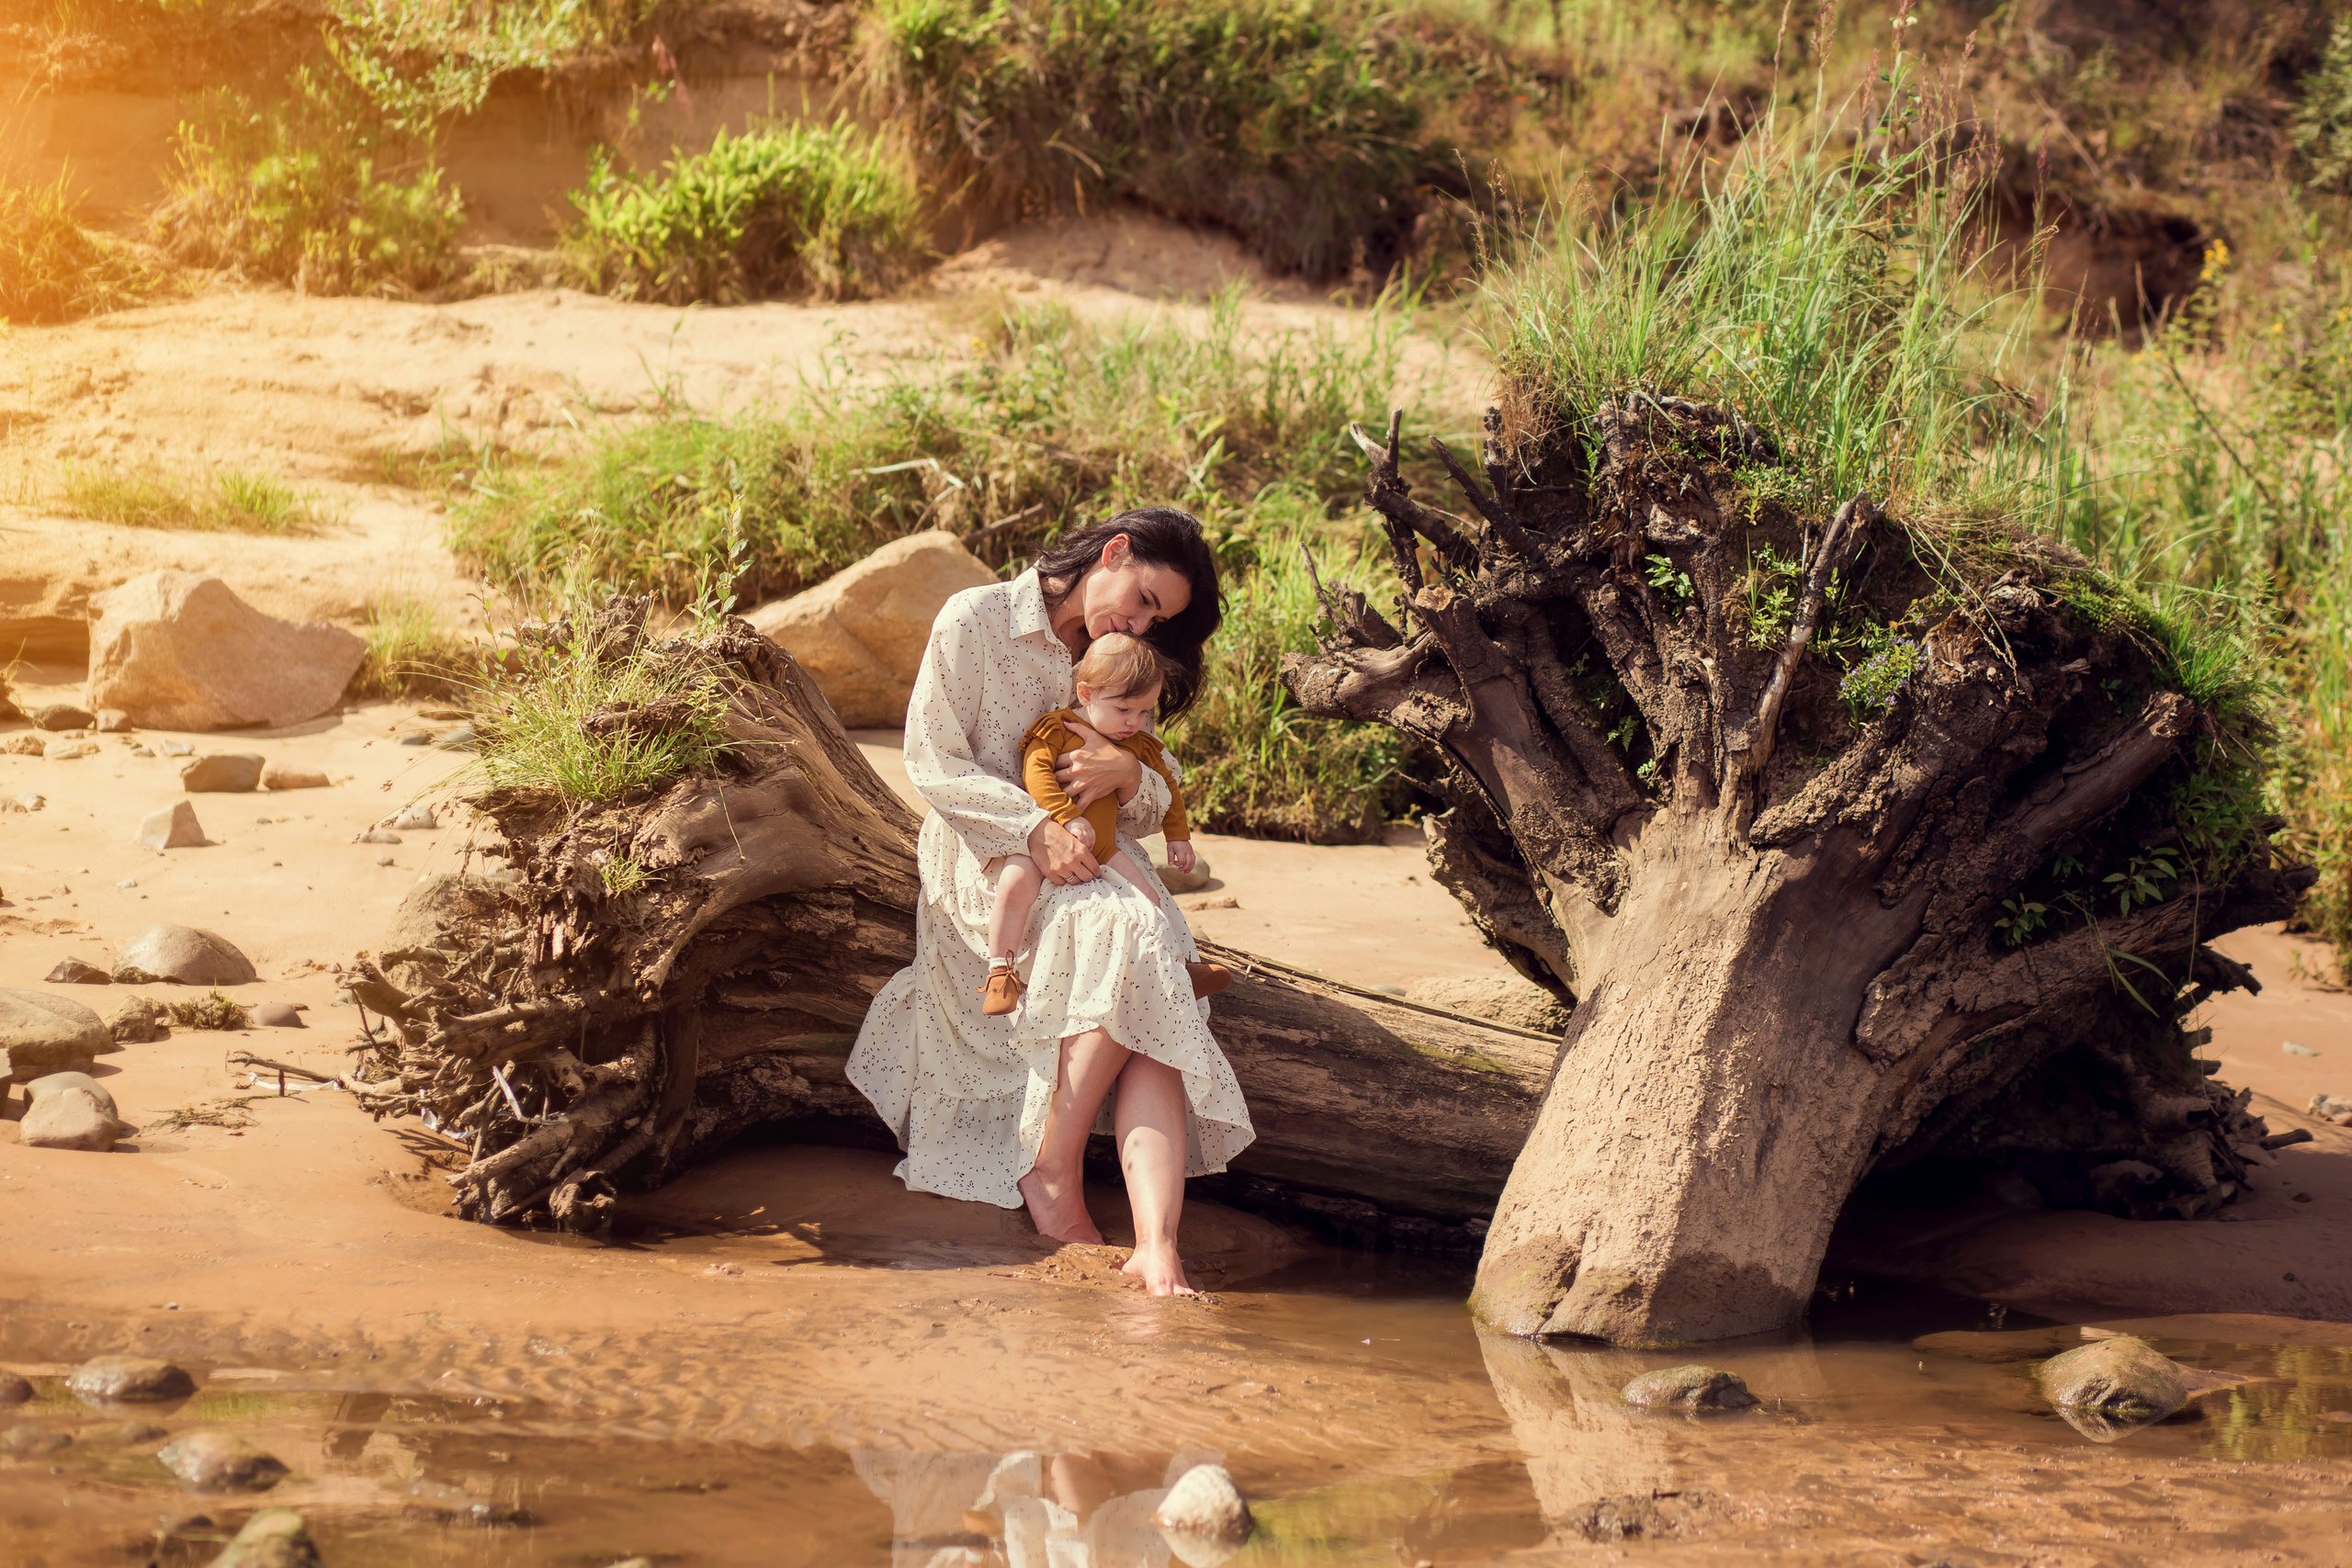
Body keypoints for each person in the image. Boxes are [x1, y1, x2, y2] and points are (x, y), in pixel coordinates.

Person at [846, 508, 1254, 1297]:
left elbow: (1152, 786)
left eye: (1156, 620)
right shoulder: (977, 618)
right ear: (1114, 551)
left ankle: (1156, 1243)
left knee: (1152, 958)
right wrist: (1032, 829)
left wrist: (1129, 778)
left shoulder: (1119, 656)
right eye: (1142, 600)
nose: (1138, 623)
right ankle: (1053, 1168)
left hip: (1097, 856)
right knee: (1132, 935)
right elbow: (931, 760)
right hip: (990, 853)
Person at [978, 630, 1228, 1017]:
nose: (1134, 722)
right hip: (1042, 837)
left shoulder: (1137, 743)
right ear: (1086, 694)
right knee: (1014, 885)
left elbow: (1168, 788)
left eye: (1144, 712)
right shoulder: (1058, 728)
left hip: (1105, 847)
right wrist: (1067, 817)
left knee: (1149, 899)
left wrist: (1178, 836)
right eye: (1125, 709)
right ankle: (1001, 973)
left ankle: (1179, 966)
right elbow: (1036, 774)